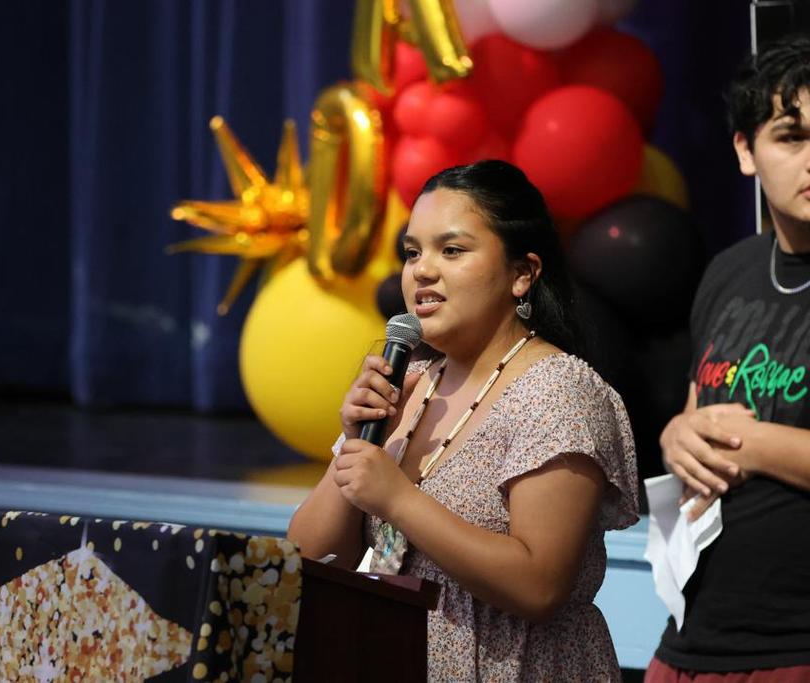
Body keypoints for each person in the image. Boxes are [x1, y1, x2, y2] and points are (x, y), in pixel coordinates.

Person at [287, 160, 639, 681]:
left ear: (523, 274)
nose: (422, 270)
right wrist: (355, 440)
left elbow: (539, 585)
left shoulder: (557, 392)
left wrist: (399, 499)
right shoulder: (410, 385)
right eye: (412, 252)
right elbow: (311, 556)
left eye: (451, 250)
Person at [646, 34, 810, 682]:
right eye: (790, 137)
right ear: (746, 150)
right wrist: (675, 434)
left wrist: (753, 441)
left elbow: (734, 435)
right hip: (692, 639)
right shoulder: (731, 270)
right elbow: (699, 417)